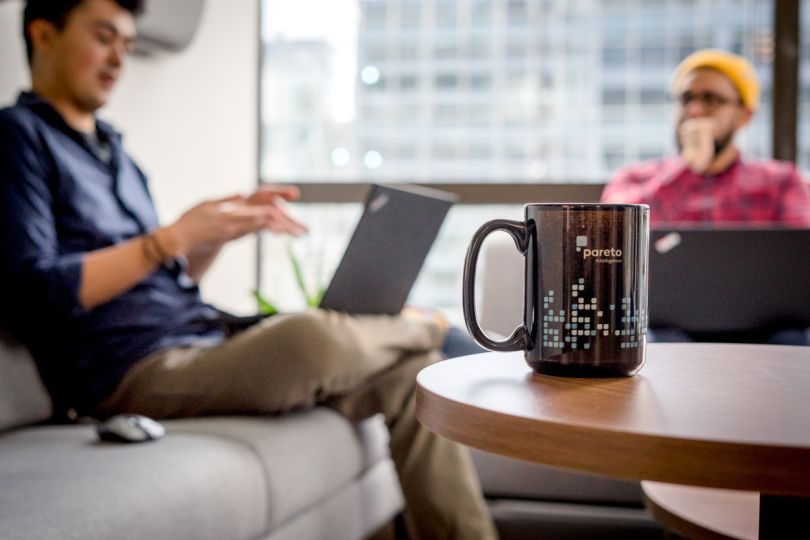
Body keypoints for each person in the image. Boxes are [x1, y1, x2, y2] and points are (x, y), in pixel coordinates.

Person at [0, 1, 497, 538]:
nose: (119, 57)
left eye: (126, 42)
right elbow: (33, 290)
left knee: (409, 374)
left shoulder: (116, 153)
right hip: (127, 371)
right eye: (103, 37)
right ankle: (434, 325)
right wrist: (169, 237)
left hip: (200, 339)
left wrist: (211, 236)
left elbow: (166, 279)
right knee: (312, 339)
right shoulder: (17, 137)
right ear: (44, 35)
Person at [602, 49, 810, 345]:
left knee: (794, 344)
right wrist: (688, 169)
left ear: (744, 115)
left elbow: (800, 266)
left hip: (769, 330)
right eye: (687, 99)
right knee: (655, 345)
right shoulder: (635, 179)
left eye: (712, 99)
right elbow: (611, 235)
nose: (696, 110)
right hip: (666, 328)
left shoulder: (782, 182)